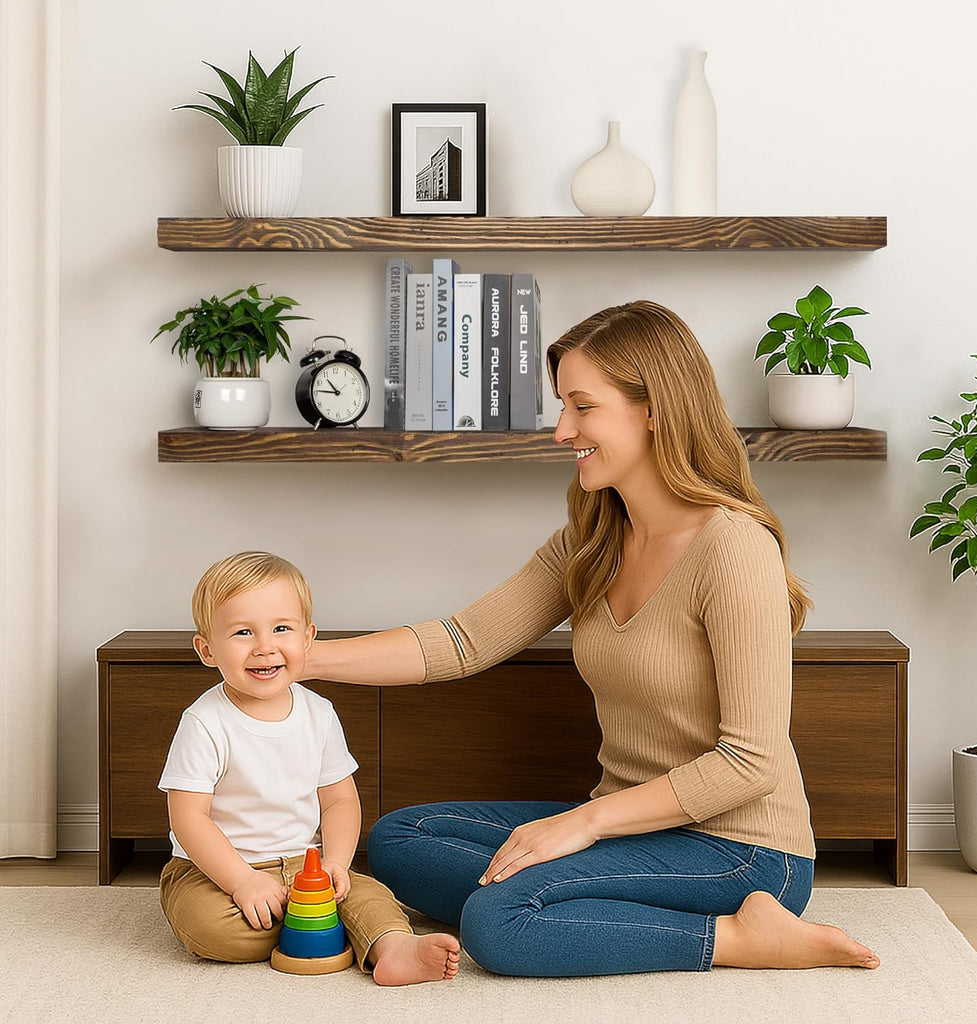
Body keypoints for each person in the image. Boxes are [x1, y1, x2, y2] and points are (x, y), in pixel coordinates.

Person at [302, 300, 881, 977]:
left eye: (582, 407)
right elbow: (462, 642)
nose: (561, 431)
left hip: (743, 849)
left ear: (653, 409)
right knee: (401, 839)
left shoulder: (733, 548)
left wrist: (585, 825)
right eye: (562, 408)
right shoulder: (591, 542)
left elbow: (750, 761)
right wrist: (302, 658)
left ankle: (740, 937)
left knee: (498, 922)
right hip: (631, 824)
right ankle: (587, 909)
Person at [157, 551, 460, 985]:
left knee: (370, 894)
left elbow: (339, 799)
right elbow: (188, 818)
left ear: (307, 638)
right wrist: (243, 882)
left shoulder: (318, 713)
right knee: (210, 926)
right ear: (208, 650)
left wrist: (336, 862)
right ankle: (319, 926)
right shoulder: (205, 721)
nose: (265, 646)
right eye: (243, 632)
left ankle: (392, 947)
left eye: (281, 628)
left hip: (306, 862)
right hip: (213, 869)